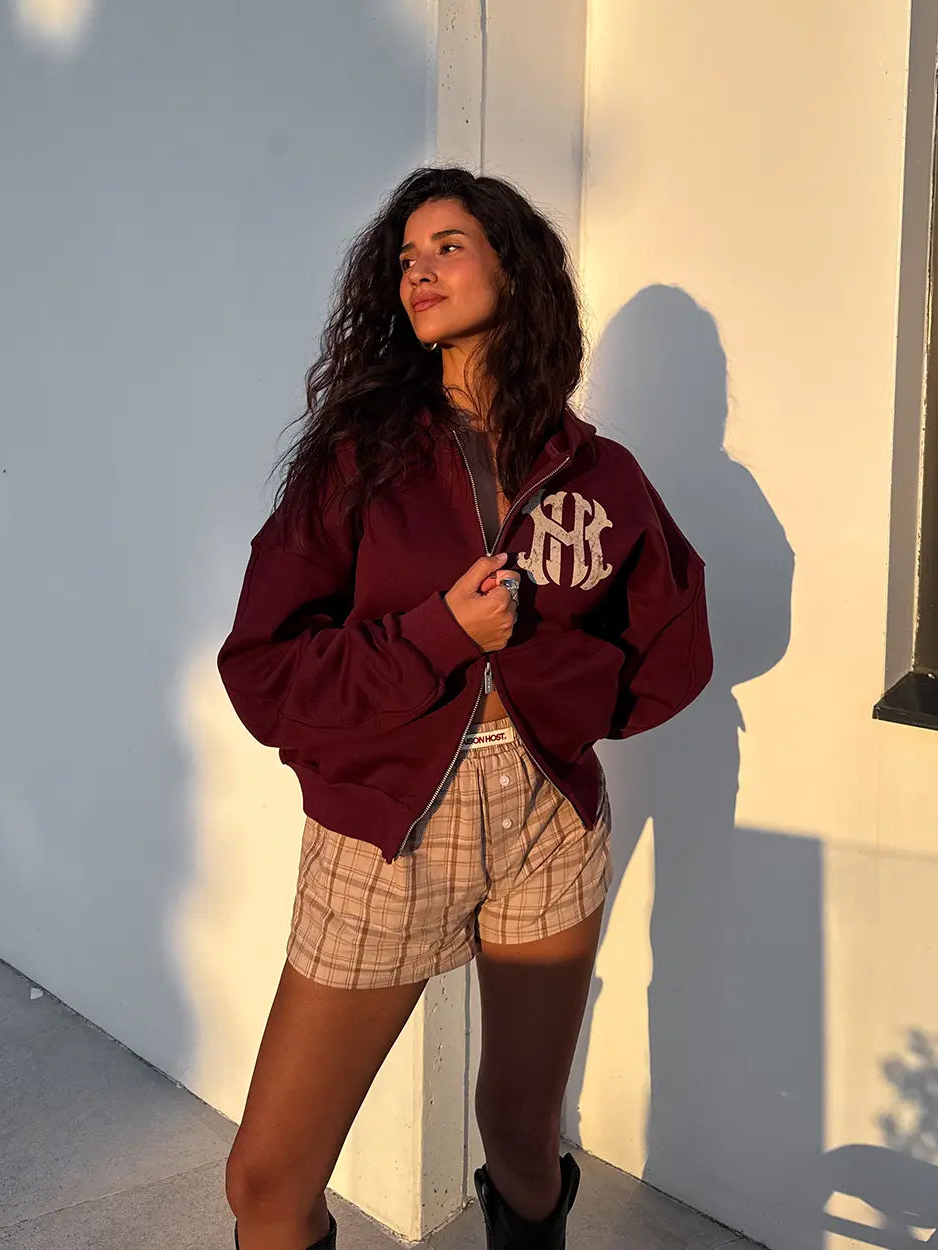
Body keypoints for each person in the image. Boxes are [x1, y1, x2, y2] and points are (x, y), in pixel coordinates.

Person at [217, 166, 713, 1250]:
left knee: (523, 1132)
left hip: (545, 821)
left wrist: (554, 703)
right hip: (386, 832)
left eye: (448, 246)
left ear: (514, 270)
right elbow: (263, 671)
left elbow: (674, 645)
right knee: (267, 1177)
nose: (419, 271)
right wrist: (442, 635)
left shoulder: (600, 472)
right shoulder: (359, 458)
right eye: (406, 257)